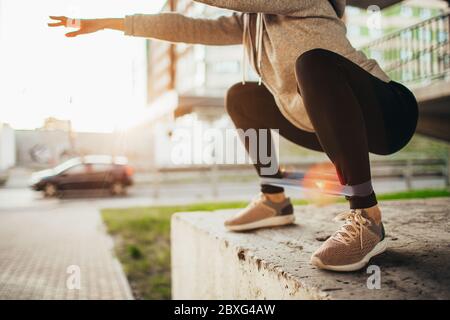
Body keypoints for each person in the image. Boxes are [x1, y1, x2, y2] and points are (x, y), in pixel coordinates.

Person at [48, 0, 418, 272]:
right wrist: (107, 23)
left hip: (389, 114)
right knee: (242, 95)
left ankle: (367, 218)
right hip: (325, 125)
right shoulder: (251, 23)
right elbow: (183, 27)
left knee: (313, 61)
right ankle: (274, 200)